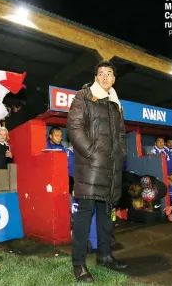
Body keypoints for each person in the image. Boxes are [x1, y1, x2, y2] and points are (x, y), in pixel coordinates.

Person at [67, 61, 127, 282]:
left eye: (109, 74)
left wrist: (121, 152)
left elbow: (121, 133)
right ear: (96, 77)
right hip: (91, 167)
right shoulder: (83, 96)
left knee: (105, 216)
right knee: (84, 216)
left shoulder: (116, 103)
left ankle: (105, 256)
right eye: (101, 73)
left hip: (111, 168)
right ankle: (79, 264)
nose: (105, 77)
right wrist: (92, 152)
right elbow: (74, 127)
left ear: (113, 79)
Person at [46, 126, 74, 193]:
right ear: (50, 136)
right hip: (50, 178)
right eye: (57, 135)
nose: (60, 138)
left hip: (67, 178)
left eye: (61, 136)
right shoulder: (45, 146)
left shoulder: (63, 148)